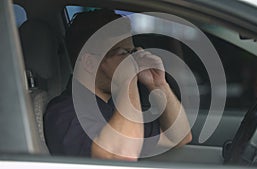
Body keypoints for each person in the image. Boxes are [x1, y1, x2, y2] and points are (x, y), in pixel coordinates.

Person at [44, 9, 192, 161]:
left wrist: (158, 84)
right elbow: (122, 157)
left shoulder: (112, 107)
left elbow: (179, 137)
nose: (133, 60)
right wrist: (128, 81)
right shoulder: (64, 113)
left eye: (133, 52)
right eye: (122, 53)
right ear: (90, 63)